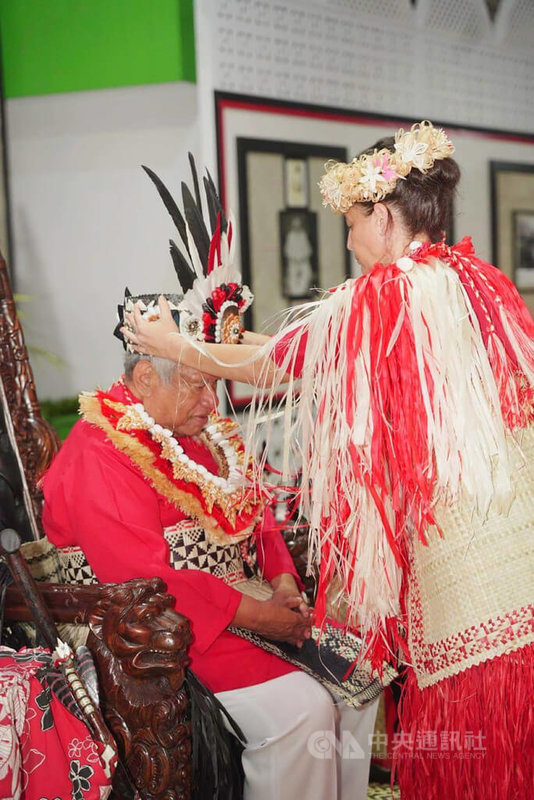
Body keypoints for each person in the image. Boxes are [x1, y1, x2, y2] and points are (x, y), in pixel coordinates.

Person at [124, 122, 534, 800]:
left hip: (466, 579)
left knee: (481, 762)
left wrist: (179, 346)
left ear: (381, 214)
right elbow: (307, 344)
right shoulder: (472, 278)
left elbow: (277, 363)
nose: (347, 242)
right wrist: (210, 338)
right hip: (517, 545)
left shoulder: (381, 297)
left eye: (351, 224)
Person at [42, 163, 379, 800]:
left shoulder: (207, 431)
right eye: (194, 380)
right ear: (143, 382)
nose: (211, 396)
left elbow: (259, 516)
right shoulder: (100, 448)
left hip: (238, 607)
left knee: (360, 679)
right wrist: (260, 612)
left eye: (211, 379)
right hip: (157, 632)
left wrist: (281, 580)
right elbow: (143, 580)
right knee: (303, 713)